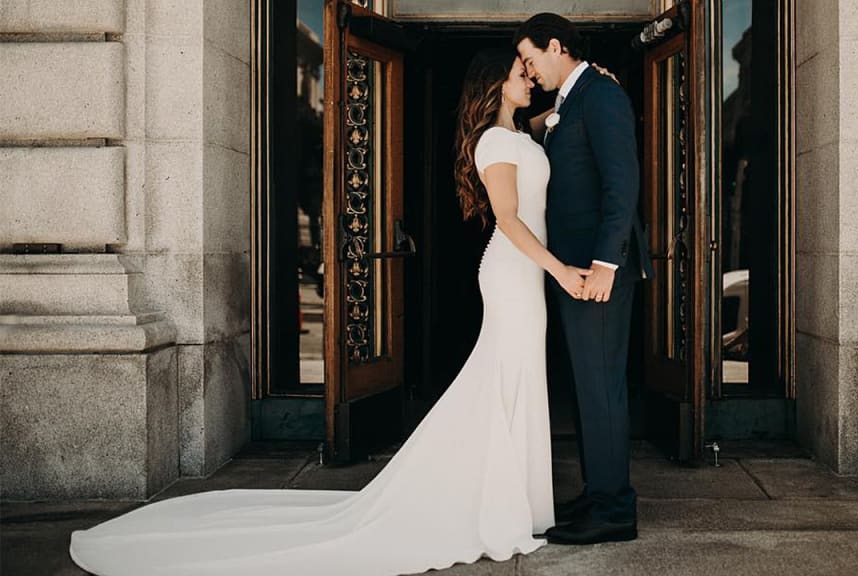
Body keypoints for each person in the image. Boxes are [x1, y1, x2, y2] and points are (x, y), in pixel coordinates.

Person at [68, 48, 590, 576]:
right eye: (520, 74)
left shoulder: (520, 134)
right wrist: (563, 271)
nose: (530, 81)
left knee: (513, 379)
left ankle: (511, 501)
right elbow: (509, 219)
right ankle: (494, 505)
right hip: (514, 272)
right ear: (494, 84)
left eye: (530, 73)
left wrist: (573, 98)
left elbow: (542, 130)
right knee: (505, 379)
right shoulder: (497, 142)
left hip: (524, 276)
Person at [515, 13, 654, 546]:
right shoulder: (575, 99)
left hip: (596, 273)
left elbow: (623, 185)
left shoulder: (602, 96)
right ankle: (600, 492)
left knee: (601, 389)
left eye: (531, 59)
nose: (529, 71)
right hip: (575, 271)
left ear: (556, 46)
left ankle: (615, 509)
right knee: (588, 387)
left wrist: (605, 265)